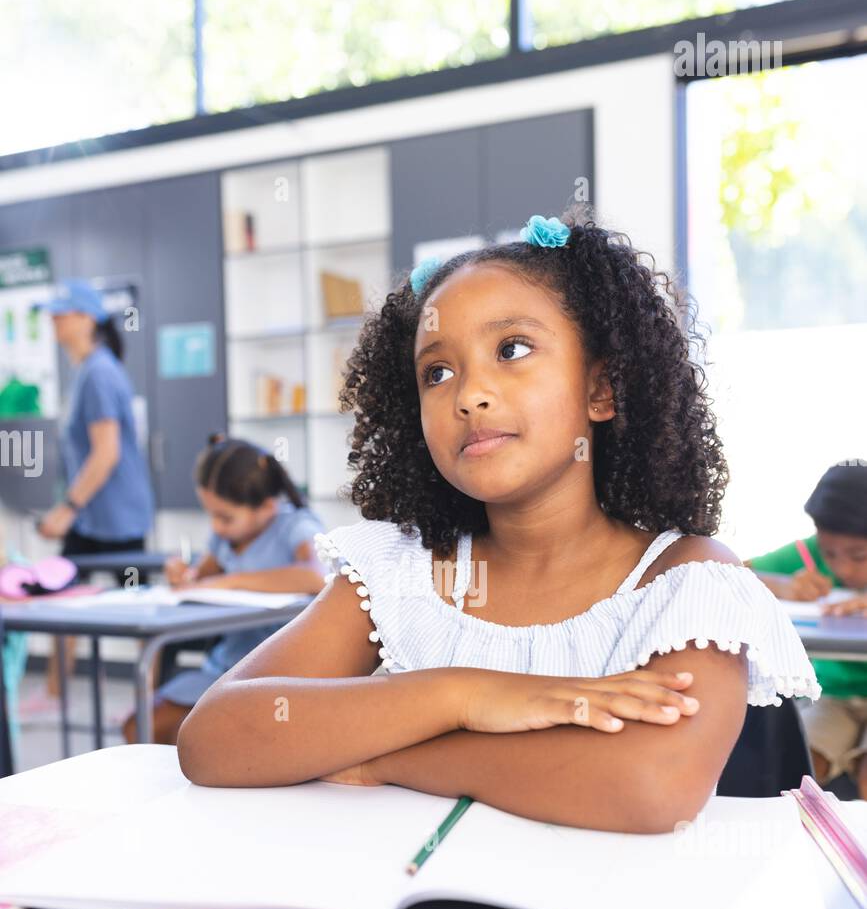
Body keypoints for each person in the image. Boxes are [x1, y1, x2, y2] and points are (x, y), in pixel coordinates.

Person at [175, 211, 819, 833]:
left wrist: (386, 758)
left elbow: (650, 787)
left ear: (602, 390)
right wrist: (465, 697)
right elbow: (214, 738)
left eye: (512, 348)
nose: (469, 394)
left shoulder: (690, 580)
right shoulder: (399, 574)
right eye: (438, 371)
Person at [122, 435, 325, 744]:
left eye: (225, 517)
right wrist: (182, 576)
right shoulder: (225, 537)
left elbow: (315, 576)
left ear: (268, 507)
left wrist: (232, 580)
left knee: (211, 739)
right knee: (140, 726)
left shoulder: (296, 526)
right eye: (211, 515)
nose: (216, 527)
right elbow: (198, 579)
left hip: (278, 675)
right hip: (222, 670)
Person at [32, 279, 154, 704]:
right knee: (61, 596)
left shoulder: (100, 372)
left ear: (86, 319)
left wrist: (65, 510)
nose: (52, 320)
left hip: (116, 518)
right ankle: (53, 697)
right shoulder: (88, 369)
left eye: (60, 313)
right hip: (95, 517)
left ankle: (150, 705)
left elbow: (106, 454)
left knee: (140, 610)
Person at [746, 461, 867, 798]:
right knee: (801, 773)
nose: (842, 567)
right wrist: (781, 584)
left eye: (859, 555)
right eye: (831, 553)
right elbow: (725, 573)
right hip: (833, 695)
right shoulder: (806, 555)